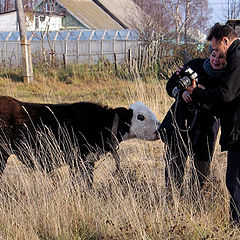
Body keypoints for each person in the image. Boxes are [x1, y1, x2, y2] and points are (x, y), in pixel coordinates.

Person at [187, 23, 240, 225]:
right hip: (235, 128)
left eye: (217, 49)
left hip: (238, 130)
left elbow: (227, 94)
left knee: (235, 182)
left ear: (225, 41)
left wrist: (198, 93)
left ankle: (236, 227)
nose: (216, 55)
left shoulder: (237, 57)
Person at [160, 47, 226, 192]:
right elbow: (170, 84)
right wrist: (182, 93)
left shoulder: (228, 76)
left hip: (206, 127)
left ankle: (195, 205)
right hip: (180, 122)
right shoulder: (195, 64)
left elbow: (224, 101)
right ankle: (173, 202)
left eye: (221, 57)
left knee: (201, 172)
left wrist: (202, 95)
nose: (216, 59)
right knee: (174, 166)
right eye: (213, 55)